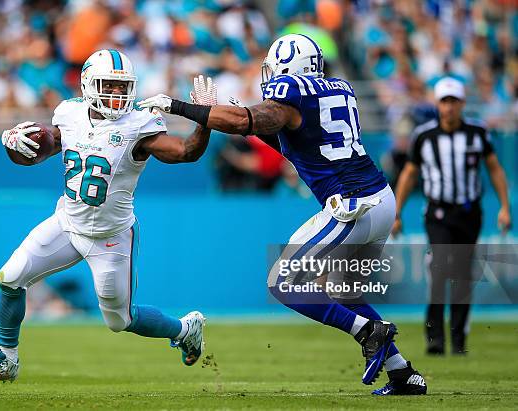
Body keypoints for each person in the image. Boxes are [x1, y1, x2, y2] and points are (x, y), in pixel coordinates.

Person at [139, 34, 427, 395]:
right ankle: (402, 373)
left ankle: (368, 331)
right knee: (343, 292)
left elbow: (246, 121)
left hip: (353, 205)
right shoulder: (338, 87)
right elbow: (292, 141)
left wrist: (178, 106)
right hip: (379, 200)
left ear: (287, 66)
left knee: (283, 281)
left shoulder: (292, 90)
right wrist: (236, 115)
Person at [0, 49, 211, 384]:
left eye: (124, 87)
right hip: (67, 223)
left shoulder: (139, 125)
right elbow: (40, 152)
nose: (117, 94)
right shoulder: (70, 113)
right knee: (10, 276)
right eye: (109, 85)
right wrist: (16, 144)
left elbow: (186, 152)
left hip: (111, 236)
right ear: (88, 84)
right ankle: (5, 359)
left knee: (119, 320)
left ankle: (184, 329)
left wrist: (205, 117)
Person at [392, 77, 512, 355]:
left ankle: (458, 339)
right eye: (444, 102)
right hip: (438, 212)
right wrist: (397, 212)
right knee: (440, 268)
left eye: (453, 102)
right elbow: (409, 174)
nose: (448, 107)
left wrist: (505, 207)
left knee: (463, 275)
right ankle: (435, 337)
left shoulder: (477, 133)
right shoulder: (424, 136)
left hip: (469, 212)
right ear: (437, 104)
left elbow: (494, 169)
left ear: (462, 104)